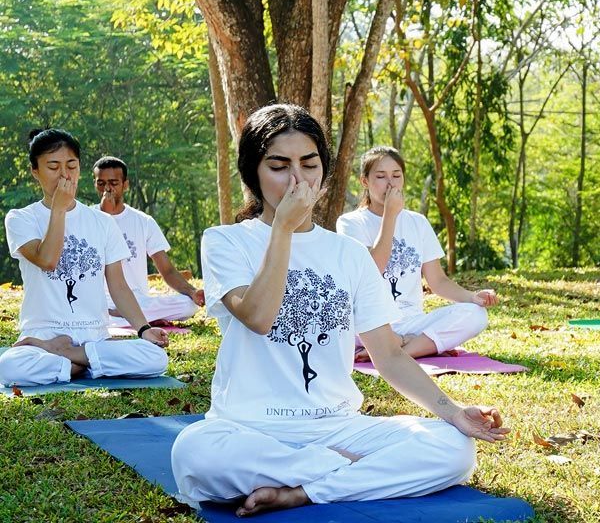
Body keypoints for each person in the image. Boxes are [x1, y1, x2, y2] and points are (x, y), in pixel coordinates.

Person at [171, 105, 508, 517]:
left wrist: (453, 412)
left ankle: (302, 491)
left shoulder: (348, 253)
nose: (297, 179)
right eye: (279, 166)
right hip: (251, 428)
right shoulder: (226, 241)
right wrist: (282, 230)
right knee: (194, 453)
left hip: (338, 426)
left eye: (309, 164)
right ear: (252, 174)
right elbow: (258, 317)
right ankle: (342, 469)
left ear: (324, 171)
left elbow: (388, 354)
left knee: (454, 448)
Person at [0, 129, 169, 387]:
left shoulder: (102, 222)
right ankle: (86, 363)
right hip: (44, 337)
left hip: (94, 337)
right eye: (53, 166)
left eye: (71, 165)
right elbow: (48, 260)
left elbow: (118, 285)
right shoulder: (21, 218)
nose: (64, 174)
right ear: (35, 172)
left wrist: (144, 330)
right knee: (8, 366)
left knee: (156, 359)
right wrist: (58, 209)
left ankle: (70, 360)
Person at [336, 146, 497, 361]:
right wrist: (390, 216)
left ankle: (398, 351)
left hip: (411, 321)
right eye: (381, 176)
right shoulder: (350, 223)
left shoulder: (417, 222)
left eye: (396, 175)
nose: (390, 183)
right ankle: (410, 344)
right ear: (364, 181)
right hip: (368, 324)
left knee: (476, 315)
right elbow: (371, 273)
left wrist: (472, 297)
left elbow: (438, 281)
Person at [93, 156, 204, 326]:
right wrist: (105, 216)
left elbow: (167, 270)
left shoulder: (143, 221)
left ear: (125, 185)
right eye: (101, 183)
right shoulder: (86, 219)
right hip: (99, 300)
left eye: (113, 183)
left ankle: (124, 316)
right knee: (89, 309)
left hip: (137, 300)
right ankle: (123, 316)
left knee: (188, 306)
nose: (107, 189)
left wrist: (192, 291)